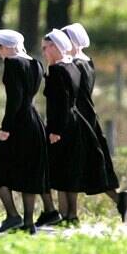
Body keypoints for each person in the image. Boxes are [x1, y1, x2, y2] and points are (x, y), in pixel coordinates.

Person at [63, 22, 127, 223]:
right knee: (91, 166)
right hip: (89, 117)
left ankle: (70, 215)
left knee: (71, 165)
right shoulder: (88, 62)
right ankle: (118, 199)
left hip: (78, 117)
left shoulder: (74, 65)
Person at [39, 29, 109, 228]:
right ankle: (71, 215)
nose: (44, 52)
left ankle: (64, 215)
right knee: (70, 170)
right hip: (75, 122)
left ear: (55, 47)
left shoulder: (57, 70)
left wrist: (55, 130)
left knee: (60, 172)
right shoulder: (72, 66)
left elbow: (60, 102)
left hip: (61, 125)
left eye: (45, 48)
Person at [0, 29, 49, 234]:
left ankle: (13, 216)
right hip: (35, 121)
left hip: (19, 123)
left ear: (6, 46)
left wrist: (6, 128)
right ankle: (28, 223)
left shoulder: (12, 64)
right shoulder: (36, 63)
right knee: (30, 172)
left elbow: (14, 99)